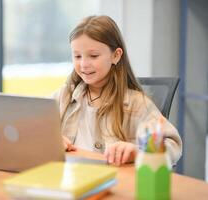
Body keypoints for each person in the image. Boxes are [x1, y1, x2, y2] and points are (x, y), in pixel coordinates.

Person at [53, 15, 182, 166]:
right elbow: (30, 128)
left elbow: (172, 145)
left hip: (116, 182)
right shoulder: (64, 96)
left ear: (116, 55)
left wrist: (138, 152)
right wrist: (50, 139)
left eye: (93, 56)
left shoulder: (136, 104)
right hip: (70, 179)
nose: (84, 64)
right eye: (77, 56)